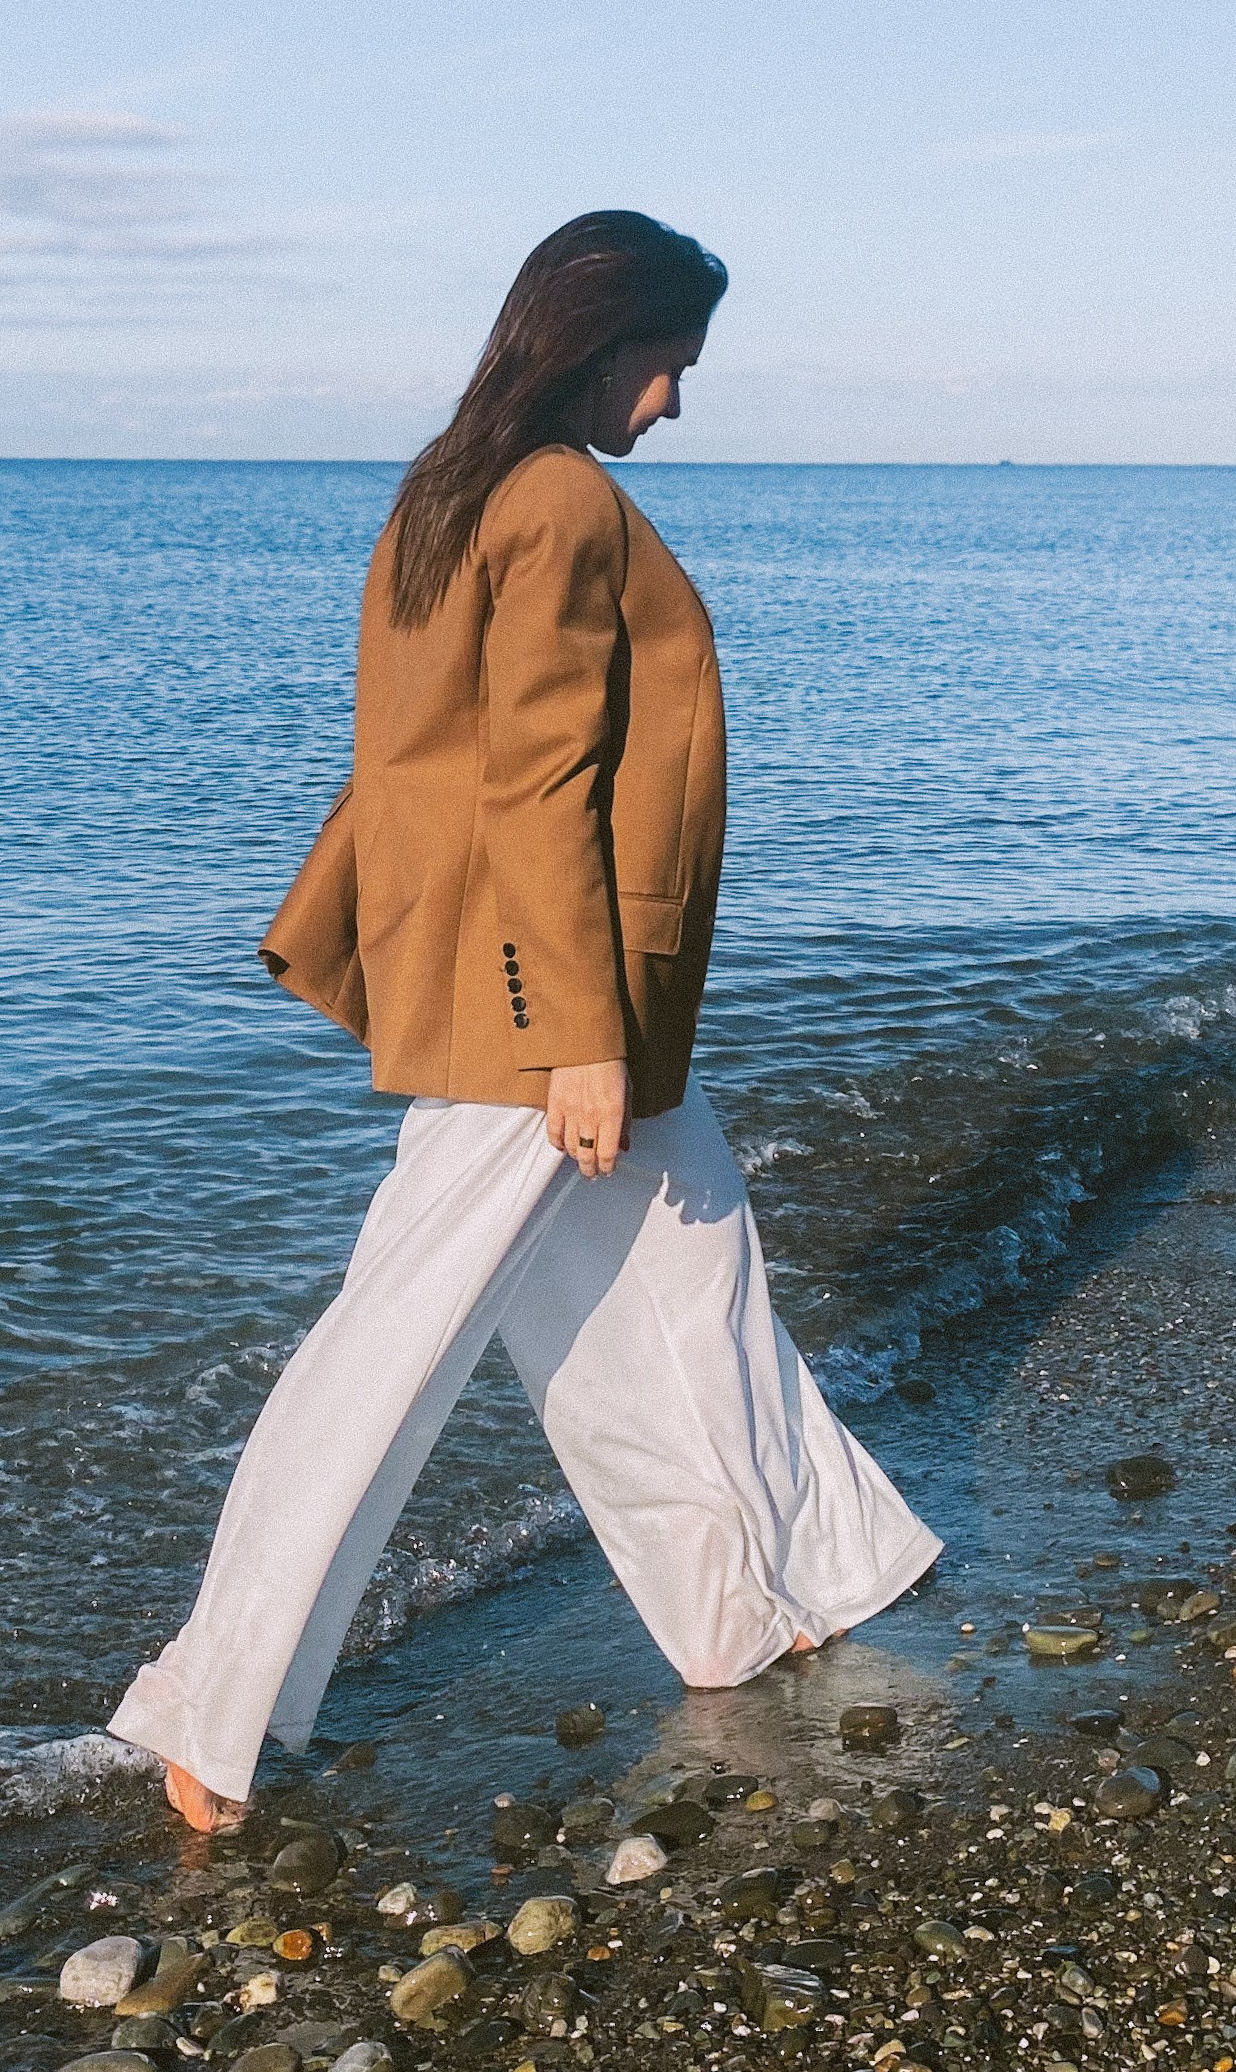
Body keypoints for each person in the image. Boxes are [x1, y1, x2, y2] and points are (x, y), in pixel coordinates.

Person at [109, 211, 939, 1831]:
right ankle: (210, 1710)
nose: (675, 403)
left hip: (535, 981)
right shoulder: (555, 498)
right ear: (599, 339)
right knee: (395, 1336)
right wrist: (574, 1031)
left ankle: (763, 1593)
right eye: (669, 364)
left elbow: (422, 754)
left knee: (691, 1268)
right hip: (544, 999)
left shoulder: (448, 483)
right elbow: (535, 778)